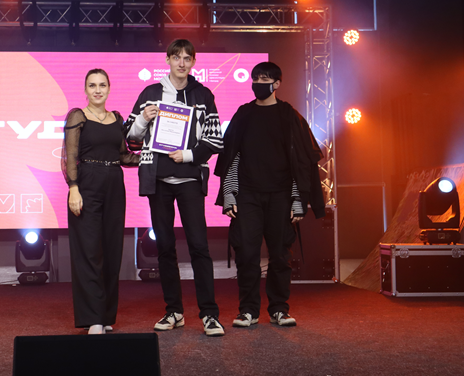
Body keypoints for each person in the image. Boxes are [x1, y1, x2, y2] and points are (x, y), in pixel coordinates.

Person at [124, 39, 225, 337]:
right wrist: (143, 119)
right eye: (176, 57)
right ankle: (174, 311)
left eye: (187, 58)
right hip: (158, 181)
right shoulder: (150, 94)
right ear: (167, 59)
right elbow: (130, 138)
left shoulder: (203, 94)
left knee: (199, 246)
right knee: (165, 247)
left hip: (190, 179)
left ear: (193, 62)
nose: (182, 63)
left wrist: (189, 155)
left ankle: (209, 314)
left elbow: (215, 139)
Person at [215, 61, 325, 328]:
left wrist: (298, 200)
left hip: (281, 195)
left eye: (264, 80)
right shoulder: (243, 114)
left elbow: (302, 161)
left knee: (280, 255)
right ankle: (248, 311)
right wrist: (229, 195)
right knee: (246, 254)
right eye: (255, 79)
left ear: (277, 84)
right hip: (247, 195)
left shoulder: (290, 116)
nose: (258, 84)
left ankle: (279, 309)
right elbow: (230, 158)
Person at [62, 68, 139, 335]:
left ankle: (105, 315)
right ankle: (92, 317)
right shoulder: (78, 116)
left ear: (109, 88)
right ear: (85, 90)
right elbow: (70, 156)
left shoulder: (117, 118)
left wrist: (154, 156)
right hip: (87, 184)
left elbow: (124, 156)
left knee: (112, 250)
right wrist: (74, 188)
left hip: (115, 185)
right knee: (89, 252)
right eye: (92, 85)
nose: (97, 90)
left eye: (102, 85)